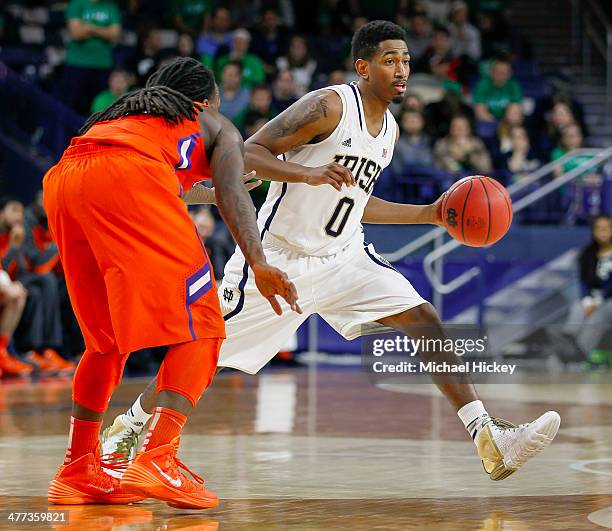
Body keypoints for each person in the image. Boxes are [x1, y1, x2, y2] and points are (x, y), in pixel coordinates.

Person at [105, 21, 560, 485]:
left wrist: (431, 214)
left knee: (423, 317)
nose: (401, 69)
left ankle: (487, 435)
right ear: (363, 67)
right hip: (280, 257)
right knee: (206, 353)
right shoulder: (328, 106)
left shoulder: (390, 131)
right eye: (389, 61)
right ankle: (129, 428)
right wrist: (308, 174)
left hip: (343, 256)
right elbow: (245, 153)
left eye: (405, 60)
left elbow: (357, 203)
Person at [43, 57, 299, 509]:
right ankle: (159, 455)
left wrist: (230, 178)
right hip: (129, 179)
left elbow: (173, 183)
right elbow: (231, 195)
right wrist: (258, 262)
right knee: (205, 324)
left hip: (65, 180)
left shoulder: (124, 116)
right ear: (206, 98)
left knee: (104, 343)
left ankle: (78, 466)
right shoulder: (213, 121)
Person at [61, 0, 122, 115]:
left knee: (100, 110)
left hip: (103, 64)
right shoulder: (76, 4)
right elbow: (76, 33)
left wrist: (89, 27)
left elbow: (115, 34)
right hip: (78, 64)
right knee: (73, 109)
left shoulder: (111, 6)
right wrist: (104, 30)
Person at [473, 56, 522, 122]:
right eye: (498, 72)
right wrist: (495, 123)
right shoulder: (483, 84)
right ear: (491, 72)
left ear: (509, 74)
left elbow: (516, 109)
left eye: (504, 73)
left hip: (506, 121)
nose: (500, 76)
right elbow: (480, 110)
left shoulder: (513, 85)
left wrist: (504, 125)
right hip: (488, 121)